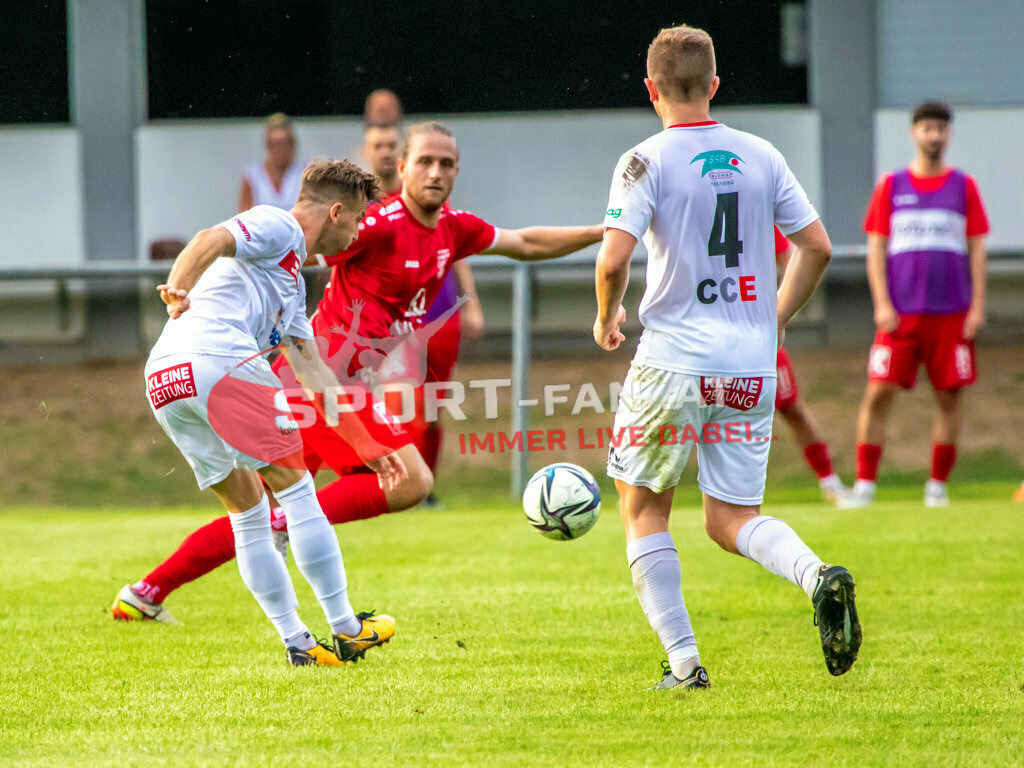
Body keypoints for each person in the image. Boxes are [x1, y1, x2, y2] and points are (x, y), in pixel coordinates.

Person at [112, 120, 603, 622]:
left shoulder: (455, 228)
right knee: (410, 481)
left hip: (315, 381)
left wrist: (605, 232)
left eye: (446, 164)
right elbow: (315, 235)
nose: (435, 172)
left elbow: (525, 242)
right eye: (425, 162)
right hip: (321, 376)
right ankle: (285, 538)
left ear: (457, 171)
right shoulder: (378, 223)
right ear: (403, 166)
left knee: (255, 506)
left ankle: (147, 591)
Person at [593, 25, 860, 690]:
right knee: (730, 517)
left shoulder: (643, 159)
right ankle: (816, 574)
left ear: (651, 89)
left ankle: (685, 665)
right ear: (714, 85)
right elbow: (818, 246)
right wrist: (773, 319)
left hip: (673, 362)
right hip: (749, 365)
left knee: (644, 508)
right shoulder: (762, 155)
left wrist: (606, 316)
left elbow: (612, 259)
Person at [113, 158, 398, 668]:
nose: (356, 233)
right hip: (219, 360)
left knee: (247, 510)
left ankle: (298, 643)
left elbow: (314, 376)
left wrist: (365, 446)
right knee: (298, 493)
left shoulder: (289, 286)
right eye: (356, 220)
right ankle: (348, 629)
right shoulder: (281, 226)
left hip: (166, 377)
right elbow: (210, 237)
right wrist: (179, 285)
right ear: (336, 212)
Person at [843, 102, 989, 509]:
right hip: (901, 314)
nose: (934, 135)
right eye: (927, 128)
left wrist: (977, 306)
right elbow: (876, 248)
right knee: (878, 394)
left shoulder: (964, 186)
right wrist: (882, 303)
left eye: (941, 128)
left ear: (948, 134)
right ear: (913, 133)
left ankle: (937, 486)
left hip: (951, 314)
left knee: (950, 398)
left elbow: (977, 249)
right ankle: (865, 485)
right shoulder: (892, 186)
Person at [773, 228, 847, 504]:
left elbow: (794, 256)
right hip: (705, 333)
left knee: (791, 406)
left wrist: (779, 311)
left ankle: (830, 482)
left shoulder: (754, 206)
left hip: (754, 329)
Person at [237, 113, 303, 212]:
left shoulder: (304, 174)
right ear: (267, 145)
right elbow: (243, 216)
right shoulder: (252, 176)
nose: (279, 150)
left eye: (283, 144)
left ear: (292, 144)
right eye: (274, 145)